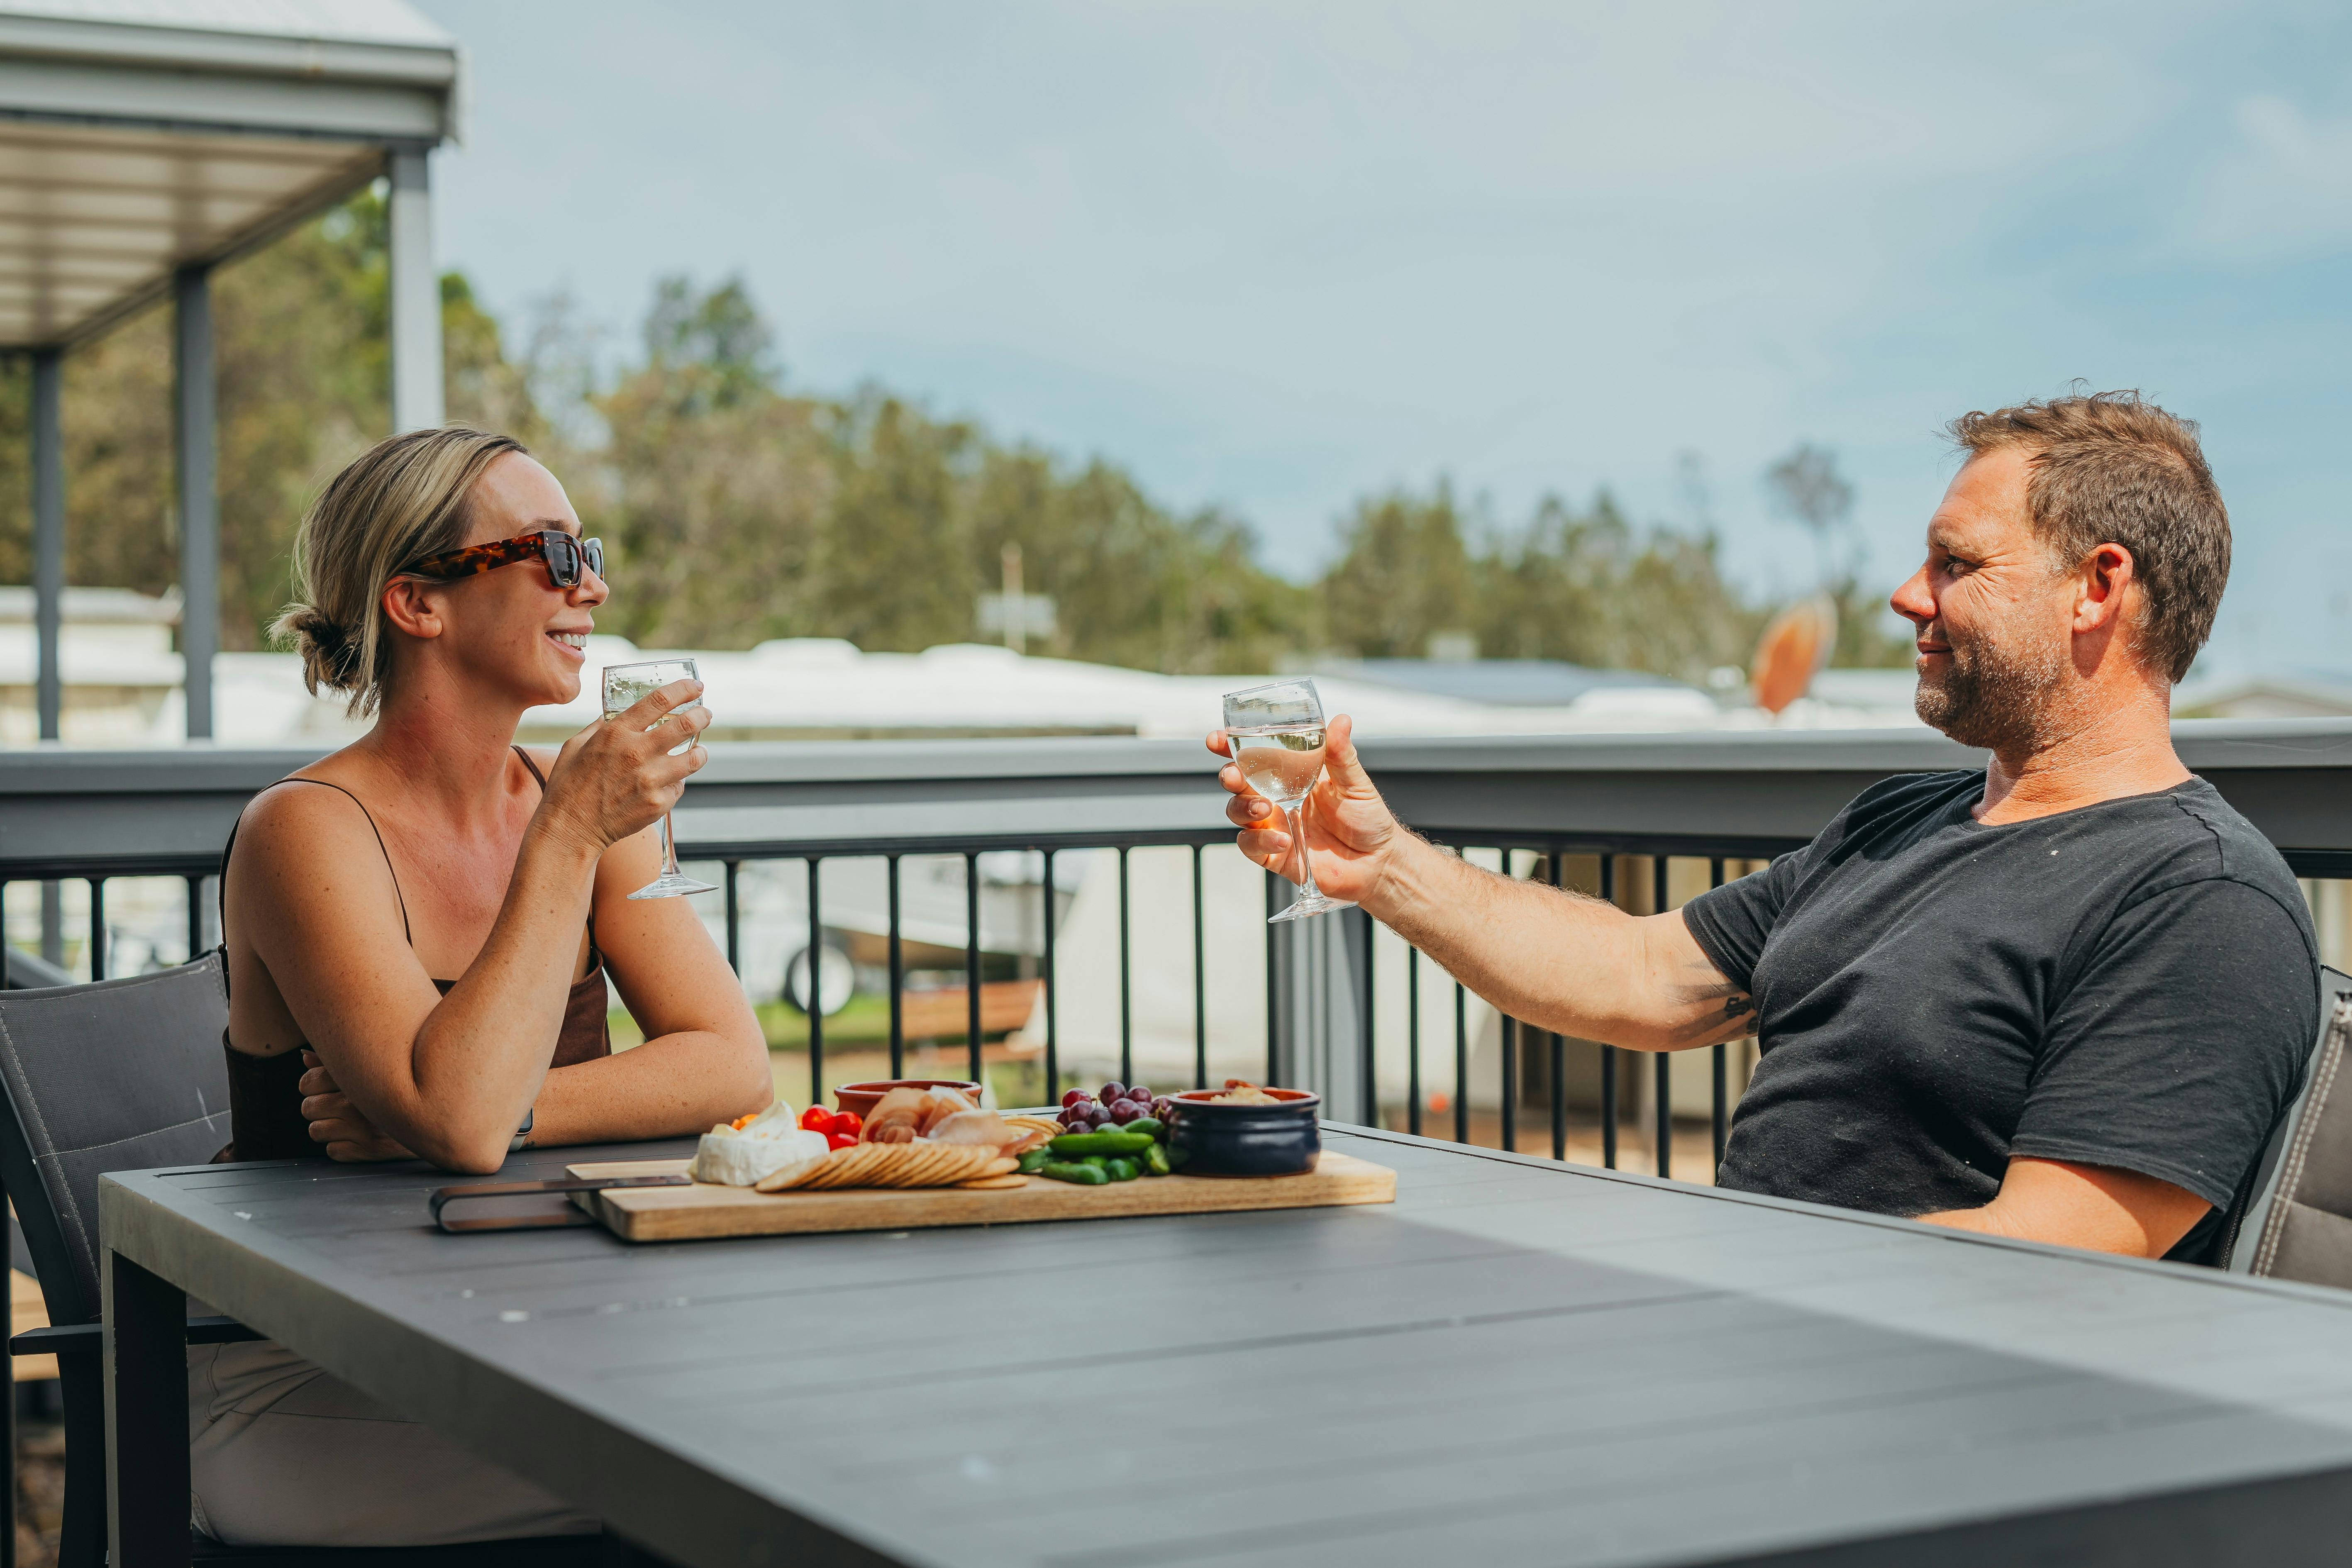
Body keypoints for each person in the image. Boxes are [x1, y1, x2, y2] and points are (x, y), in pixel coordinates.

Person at [1214, 390, 2318, 1267]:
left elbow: (2041, 1267)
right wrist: (1386, 863)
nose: (1902, 594)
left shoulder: (2198, 902)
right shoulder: (1899, 821)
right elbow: (1649, 973)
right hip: (1760, 1338)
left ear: (2096, 587)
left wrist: (1702, 1272)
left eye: (1955, 563)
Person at [199, 427, 771, 1546]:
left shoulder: (578, 798)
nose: (592, 585)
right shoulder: (305, 832)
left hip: (547, 1324)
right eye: (553, 554)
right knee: (762, 1474)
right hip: (320, 1368)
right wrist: (565, 834)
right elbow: (459, 1125)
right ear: (418, 601)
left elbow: (727, 1061)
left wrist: (483, 1109)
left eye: (587, 551)